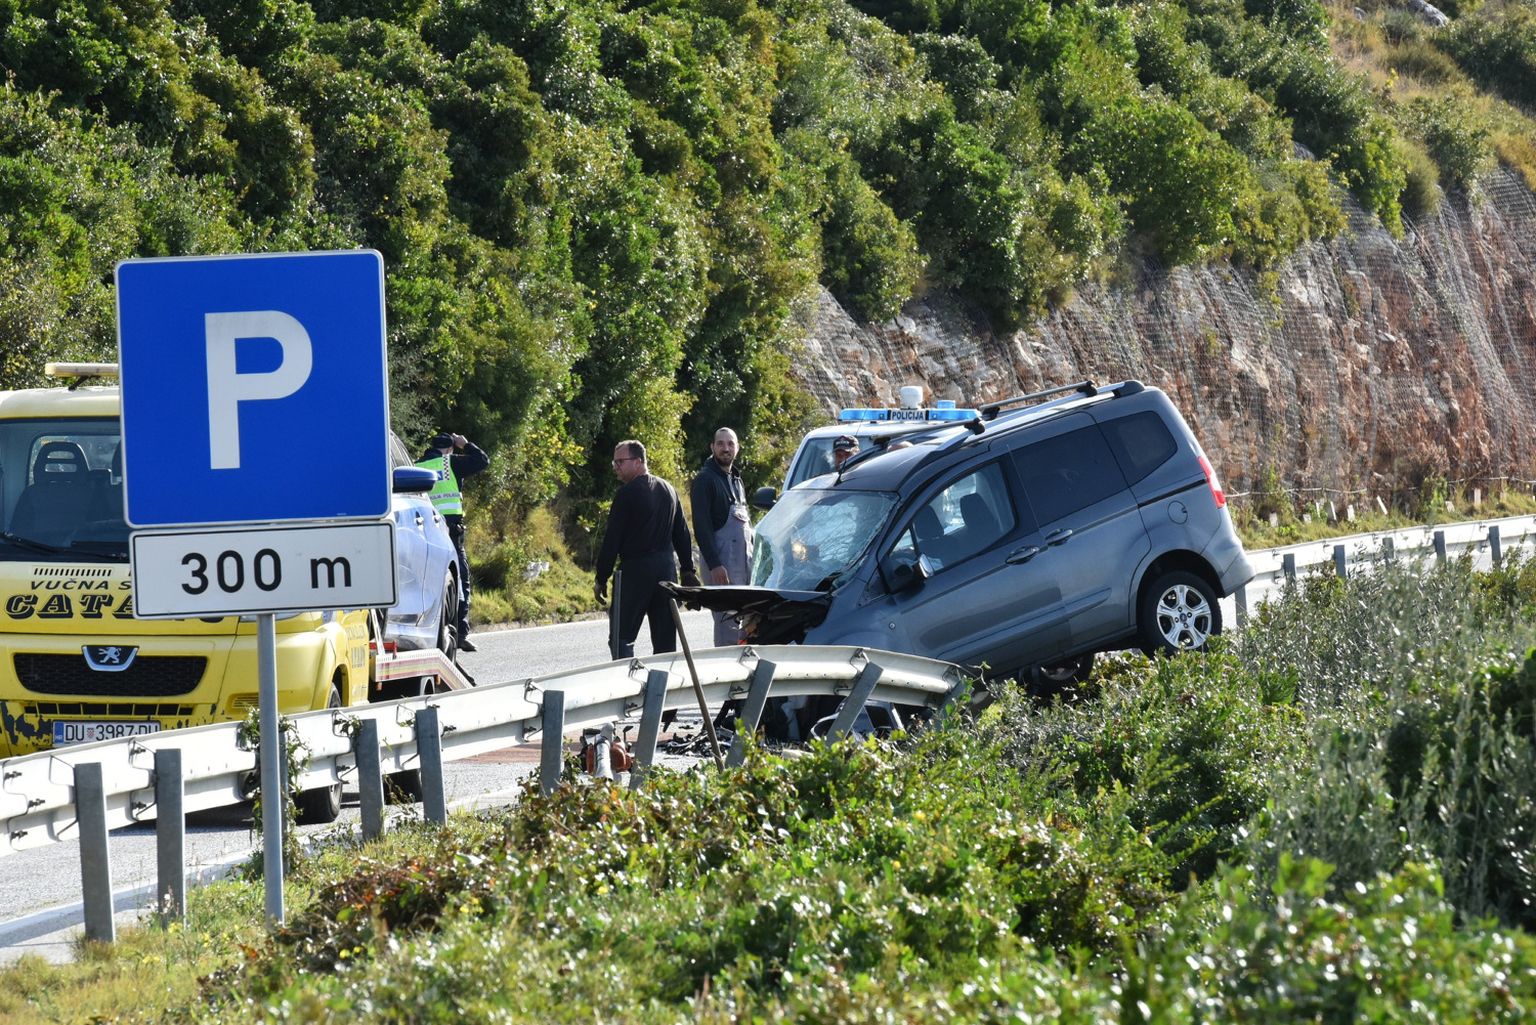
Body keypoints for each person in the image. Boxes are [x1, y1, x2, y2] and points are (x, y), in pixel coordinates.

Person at [594, 440, 700, 659]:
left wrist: (601, 577)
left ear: (638, 461)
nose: (615, 467)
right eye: (615, 462)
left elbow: (612, 539)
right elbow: (682, 534)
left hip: (636, 572)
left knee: (621, 637)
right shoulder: (669, 490)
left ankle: (626, 677)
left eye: (620, 462)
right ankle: (661, 680)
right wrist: (687, 571)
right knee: (665, 641)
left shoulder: (626, 494)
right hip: (666, 572)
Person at [416, 431, 489, 652]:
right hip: (450, 532)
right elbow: (482, 461)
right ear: (450, 448)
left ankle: (426, 631)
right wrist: (465, 444)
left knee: (426, 583)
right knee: (460, 581)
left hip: (423, 533)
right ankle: (460, 634)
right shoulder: (451, 463)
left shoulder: (417, 466)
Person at [690, 427, 753, 646]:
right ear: (712, 447)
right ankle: (726, 665)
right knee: (727, 624)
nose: (726, 448)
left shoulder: (736, 479)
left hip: (742, 566)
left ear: (737, 448)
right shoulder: (705, 480)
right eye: (720, 444)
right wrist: (715, 564)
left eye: (730, 444)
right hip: (721, 568)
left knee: (746, 625)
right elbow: (701, 526)